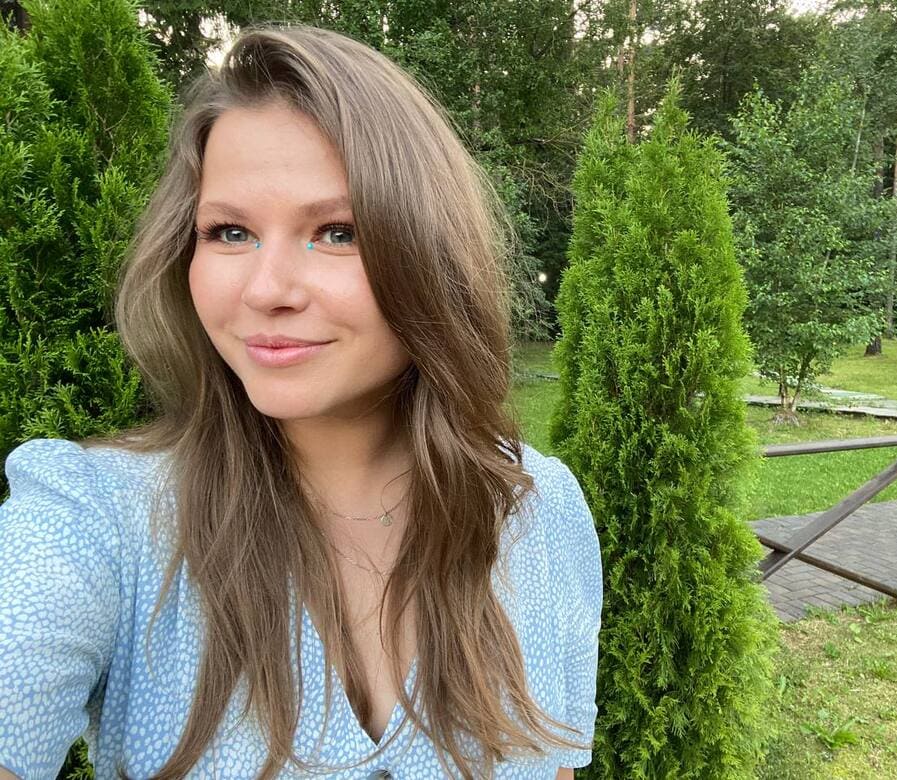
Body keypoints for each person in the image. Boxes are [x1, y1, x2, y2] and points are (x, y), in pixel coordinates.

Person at [0, 24, 602, 780]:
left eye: (337, 231)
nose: (266, 290)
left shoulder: (538, 508)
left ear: (431, 253)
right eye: (230, 232)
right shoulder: (95, 521)